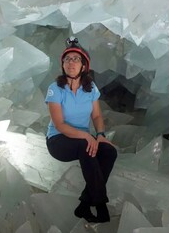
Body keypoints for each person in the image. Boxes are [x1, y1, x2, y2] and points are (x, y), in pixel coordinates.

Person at [45, 37, 117, 223]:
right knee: (85, 146)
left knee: (109, 151)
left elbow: (97, 116)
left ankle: (84, 205)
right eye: (67, 59)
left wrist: (100, 135)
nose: (71, 63)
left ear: (84, 66)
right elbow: (59, 124)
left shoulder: (90, 88)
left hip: (82, 139)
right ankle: (100, 203)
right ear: (63, 64)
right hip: (58, 140)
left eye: (76, 59)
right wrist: (87, 136)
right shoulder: (55, 89)